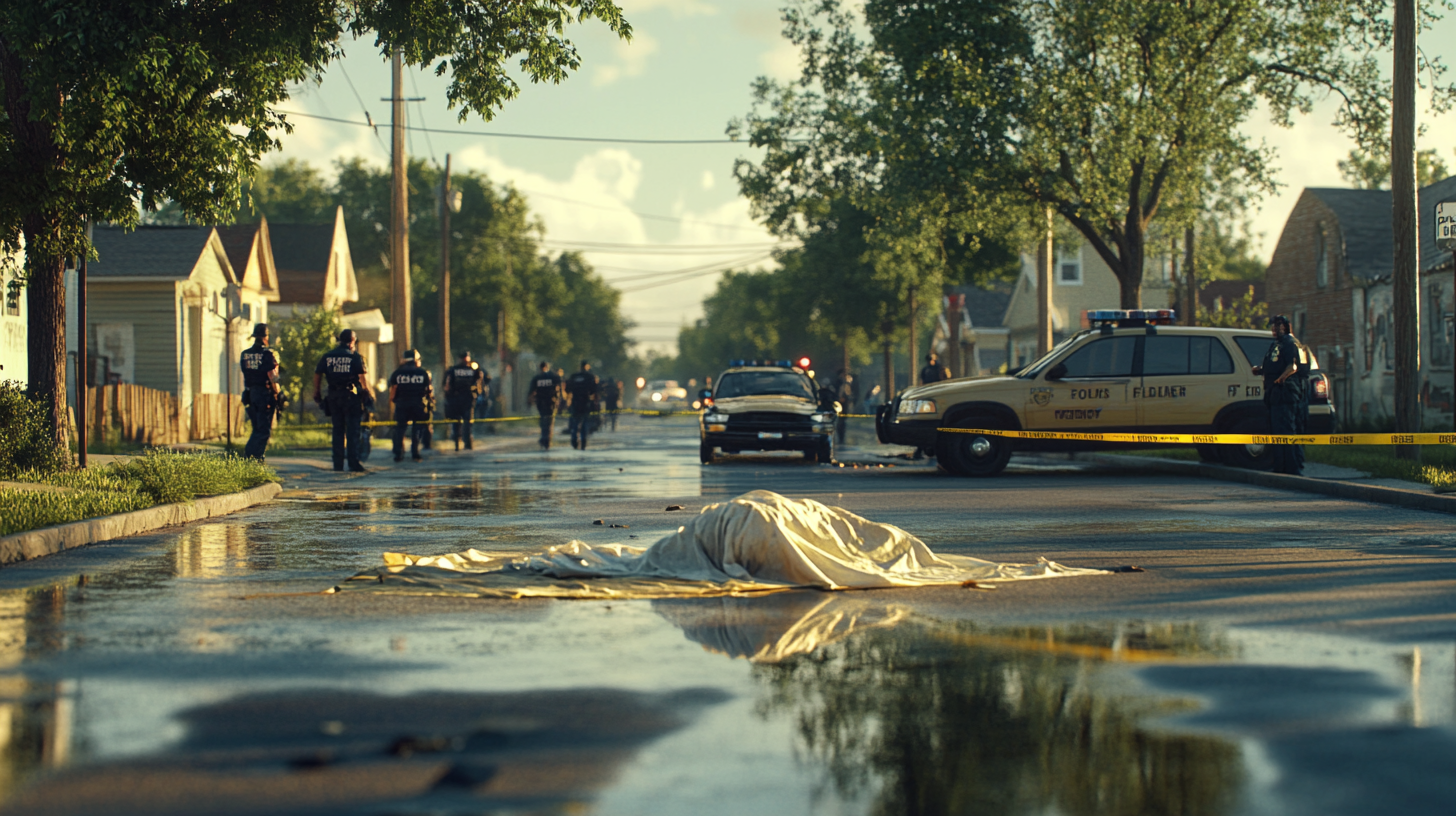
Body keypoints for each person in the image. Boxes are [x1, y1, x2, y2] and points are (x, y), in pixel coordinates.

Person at [313, 329, 373, 472]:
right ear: (352, 341)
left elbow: (317, 374)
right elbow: (362, 378)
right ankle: (353, 463)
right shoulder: (354, 356)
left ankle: (337, 464)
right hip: (351, 397)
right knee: (353, 431)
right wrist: (368, 394)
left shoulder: (328, 356)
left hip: (333, 396)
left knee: (337, 430)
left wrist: (317, 392)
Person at [1251, 314, 1305, 475]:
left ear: (1286, 326)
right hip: (1273, 394)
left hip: (1285, 393)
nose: (1274, 329)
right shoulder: (1276, 344)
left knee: (1286, 431)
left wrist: (1281, 379)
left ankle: (1292, 469)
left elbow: (1292, 366)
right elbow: (1274, 364)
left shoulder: (1290, 343)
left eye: (1278, 326)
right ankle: (1280, 467)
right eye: (1273, 326)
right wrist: (1260, 370)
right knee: (1276, 431)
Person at [239, 323, 281, 461]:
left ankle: (252, 457)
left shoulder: (245, 354)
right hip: (264, 393)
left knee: (256, 427)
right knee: (264, 430)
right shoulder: (268, 354)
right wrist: (278, 393)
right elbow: (272, 377)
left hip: (250, 393)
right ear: (265, 337)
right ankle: (253, 457)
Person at [388, 349, 433, 462]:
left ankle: (398, 454)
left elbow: (393, 390)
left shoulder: (397, 373)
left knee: (400, 429)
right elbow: (429, 390)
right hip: (419, 405)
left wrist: (393, 400)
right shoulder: (423, 373)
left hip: (402, 404)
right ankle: (415, 453)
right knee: (417, 429)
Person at [443, 350, 488, 451]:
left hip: (457, 398)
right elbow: (480, 382)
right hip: (467, 398)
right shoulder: (472, 369)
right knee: (466, 421)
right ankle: (465, 441)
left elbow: (446, 385)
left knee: (458, 421)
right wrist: (478, 393)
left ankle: (459, 440)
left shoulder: (453, 370)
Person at [564, 360, 600, 450]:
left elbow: (567, 389)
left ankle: (574, 439)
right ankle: (583, 441)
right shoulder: (590, 377)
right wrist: (596, 405)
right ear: (587, 366)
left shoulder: (574, 376)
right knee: (584, 423)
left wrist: (567, 402)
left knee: (575, 423)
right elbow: (594, 392)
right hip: (586, 403)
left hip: (575, 402)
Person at [531, 361, 563, 449]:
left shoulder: (537, 378)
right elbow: (559, 389)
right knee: (549, 421)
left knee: (543, 419)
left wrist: (531, 401)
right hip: (551, 402)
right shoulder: (554, 377)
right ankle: (547, 439)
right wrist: (560, 399)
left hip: (541, 402)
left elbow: (532, 391)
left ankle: (544, 437)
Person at [830, 369, 859, 445]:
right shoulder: (837, 383)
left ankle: (841, 438)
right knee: (838, 422)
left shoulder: (846, 383)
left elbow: (850, 393)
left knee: (842, 422)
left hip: (844, 405)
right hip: (837, 404)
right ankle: (838, 437)